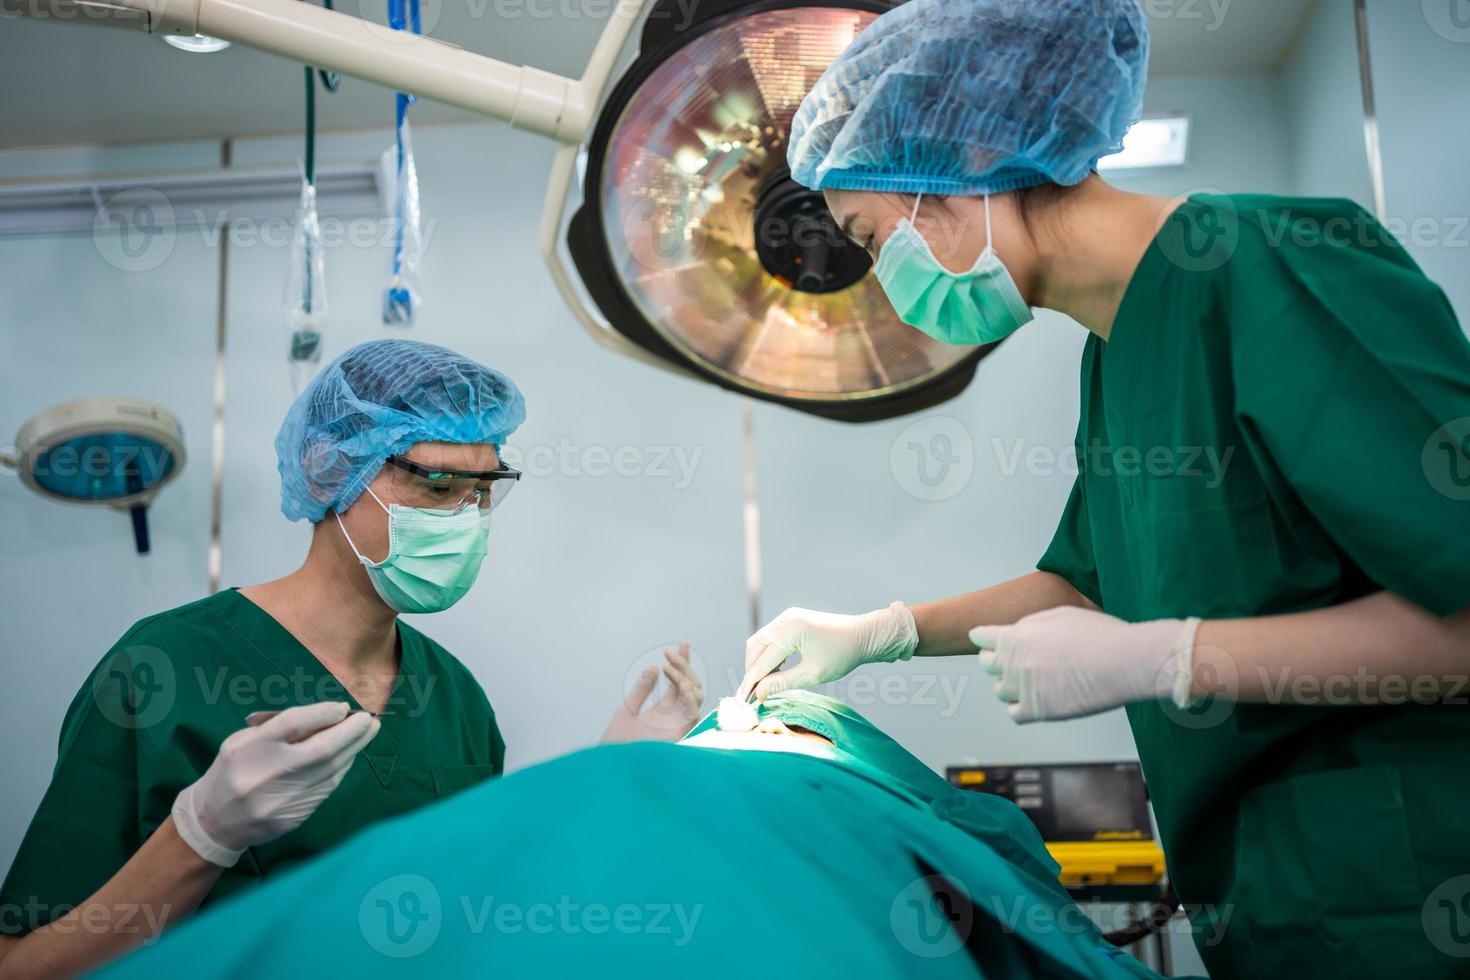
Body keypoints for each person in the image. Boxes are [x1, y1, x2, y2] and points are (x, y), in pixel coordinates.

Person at [737, 1, 1470, 976]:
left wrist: (1172, 656)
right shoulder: (1114, 351)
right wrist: (882, 630)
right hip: (1275, 914)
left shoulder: (1271, 261)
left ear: (962, 170)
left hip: (1413, 894)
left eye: (874, 239)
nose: (882, 280)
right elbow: (1089, 582)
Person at [0, 339, 703, 978]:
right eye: (436, 486)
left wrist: (610, 775)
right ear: (331, 466)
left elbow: (488, 913)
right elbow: (25, 966)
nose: (464, 520)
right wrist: (202, 835)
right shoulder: (163, 666)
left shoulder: (455, 697)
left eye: (483, 492)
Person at [95, 692, 1163, 979]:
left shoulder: (867, 800)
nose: (747, 718)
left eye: (783, 716)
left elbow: (997, 855)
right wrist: (199, 830)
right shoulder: (625, 785)